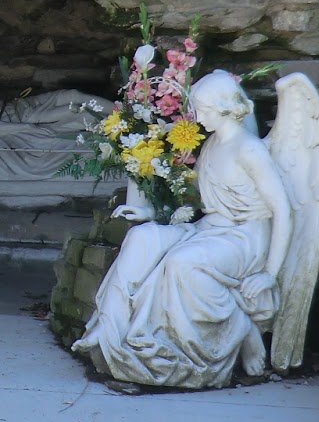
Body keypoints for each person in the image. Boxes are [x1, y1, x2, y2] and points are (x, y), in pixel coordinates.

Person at [73, 70, 292, 388]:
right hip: (209, 228)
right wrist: (149, 212)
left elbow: (283, 210)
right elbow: (197, 199)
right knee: (142, 238)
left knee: (182, 263)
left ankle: (239, 328)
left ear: (225, 107)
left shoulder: (250, 150)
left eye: (204, 110)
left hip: (245, 237)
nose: (198, 117)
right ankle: (110, 329)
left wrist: (269, 274)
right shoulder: (214, 143)